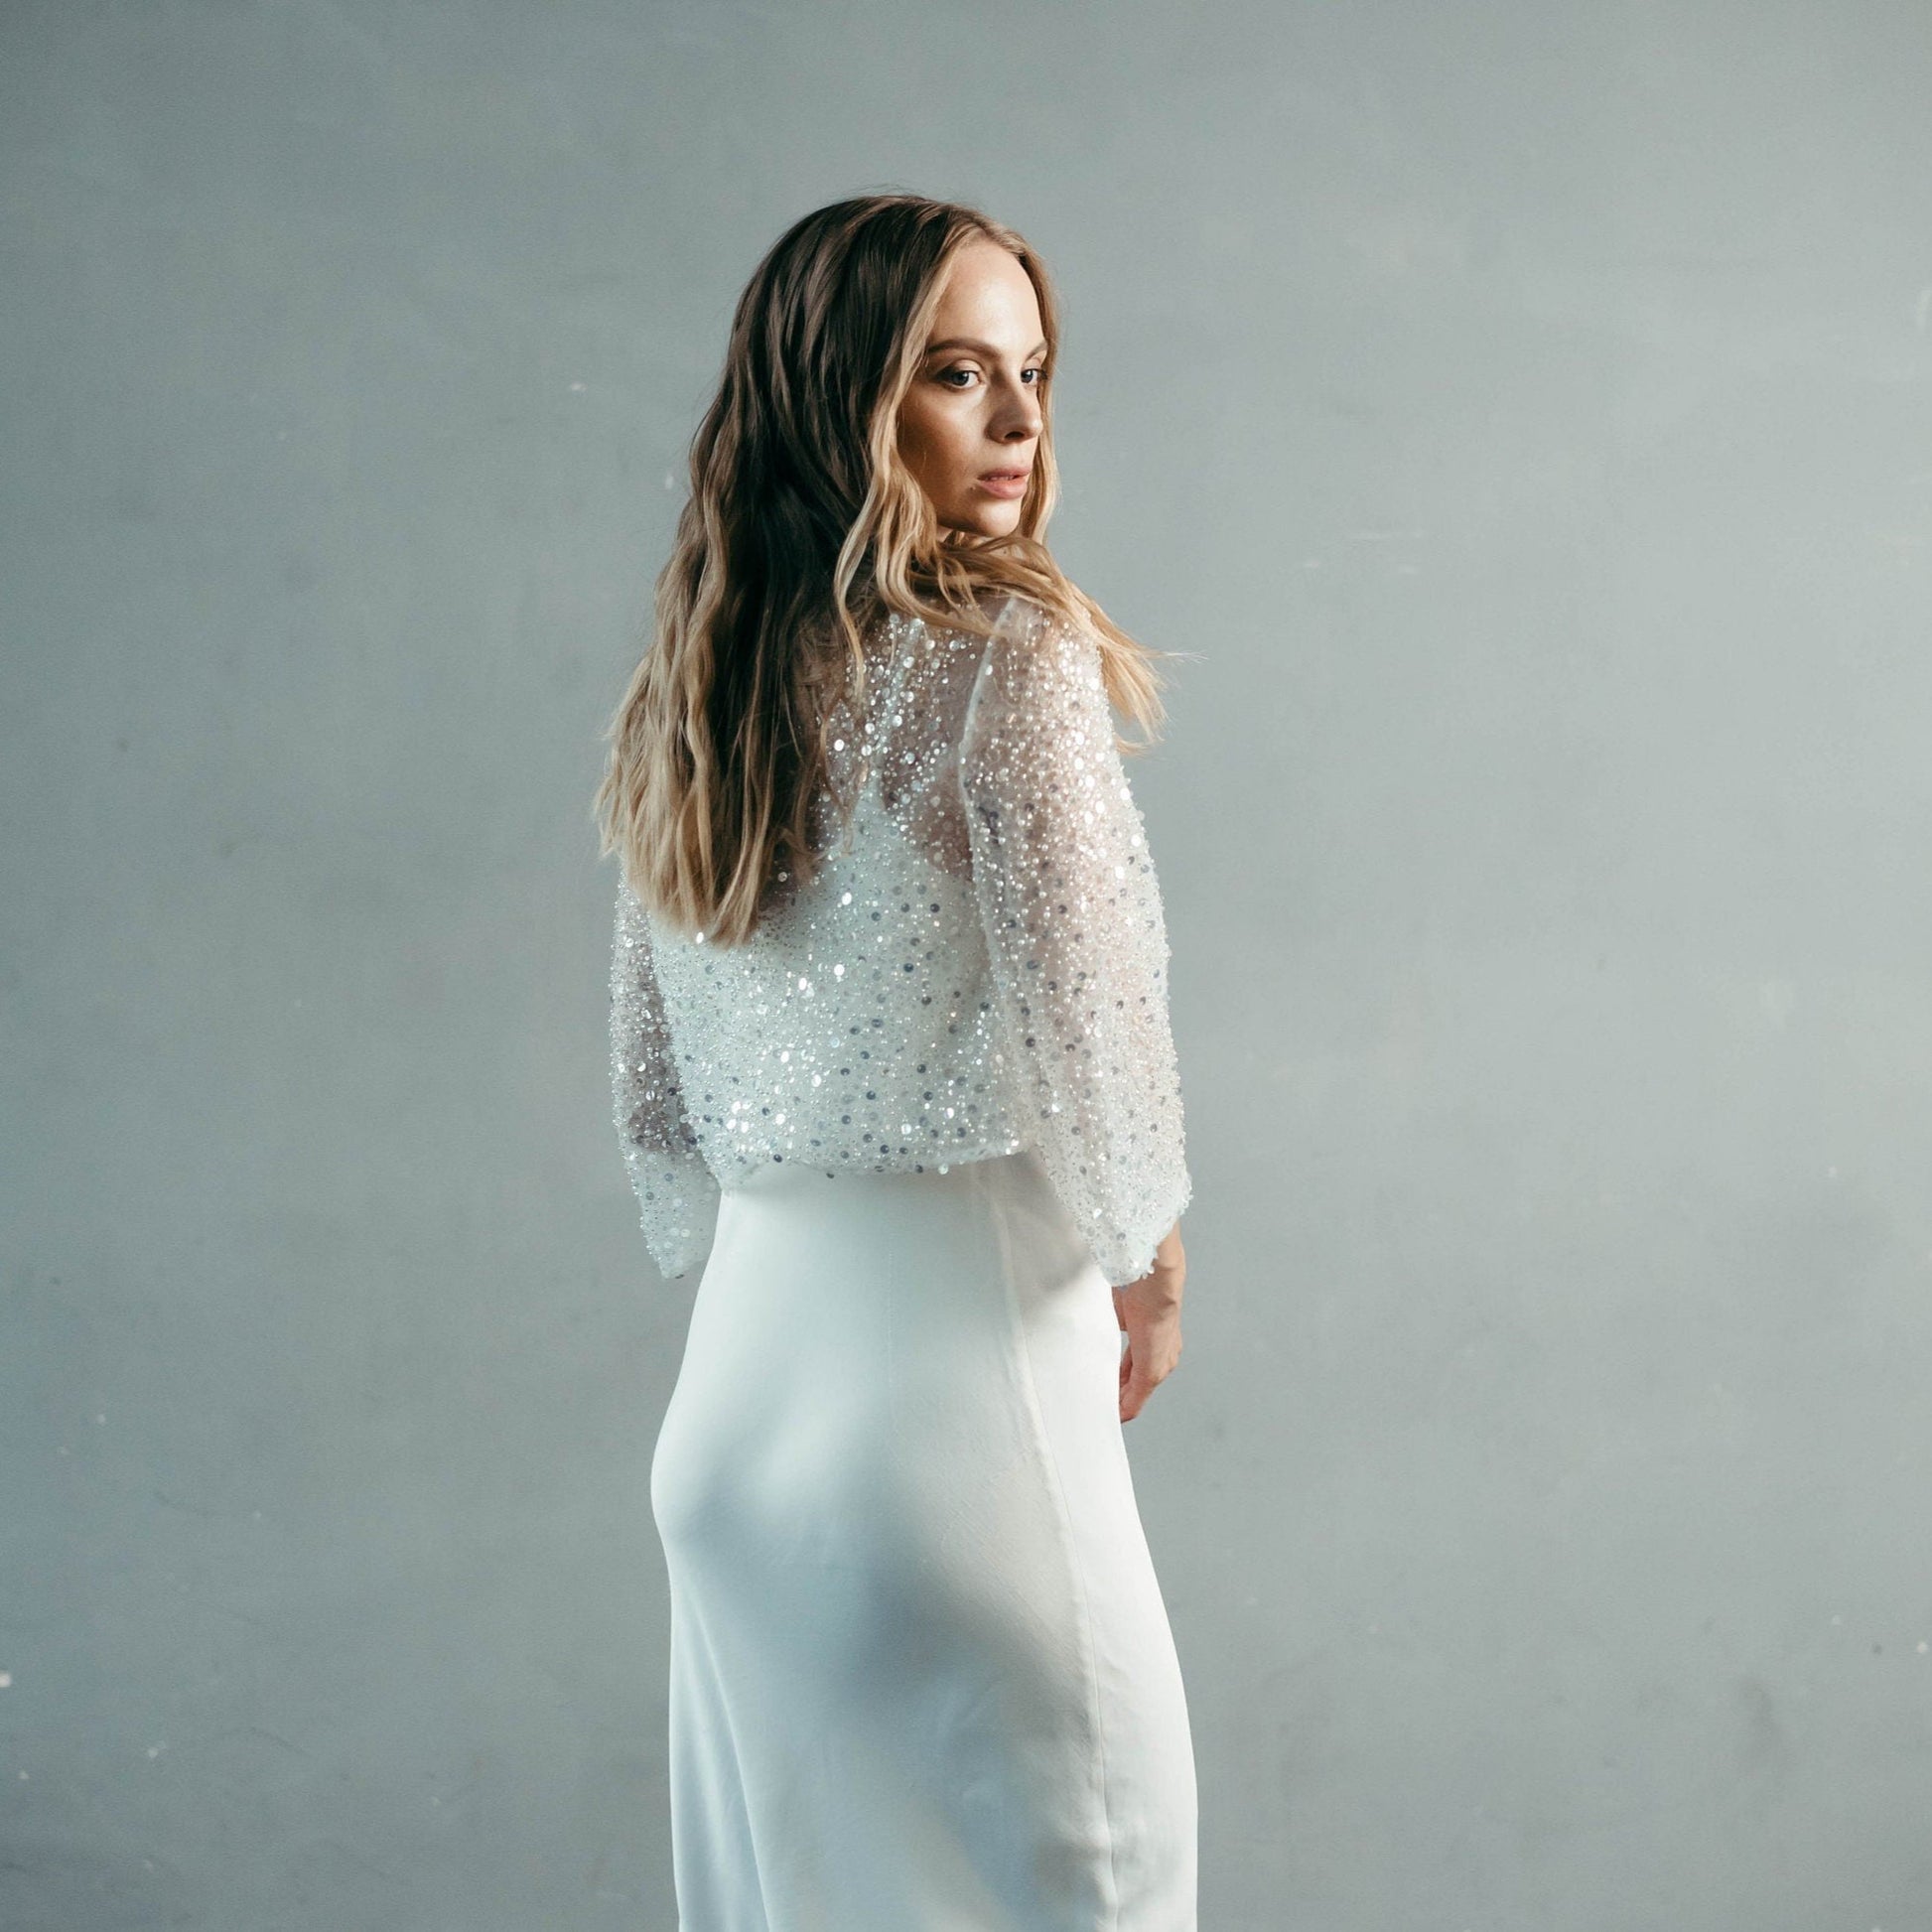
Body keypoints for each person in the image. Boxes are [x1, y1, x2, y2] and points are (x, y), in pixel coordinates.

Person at [593, 192, 1197, 1931]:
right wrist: (1151, 1269)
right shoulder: (1010, 662)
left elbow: (653, 1089)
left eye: (1029, 372)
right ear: (844, 396)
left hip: (732, 1423)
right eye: (954, 373)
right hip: (960, 1418)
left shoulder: (686, 689)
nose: (1015, 422)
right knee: (1097, 1893)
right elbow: (1095, 1031)